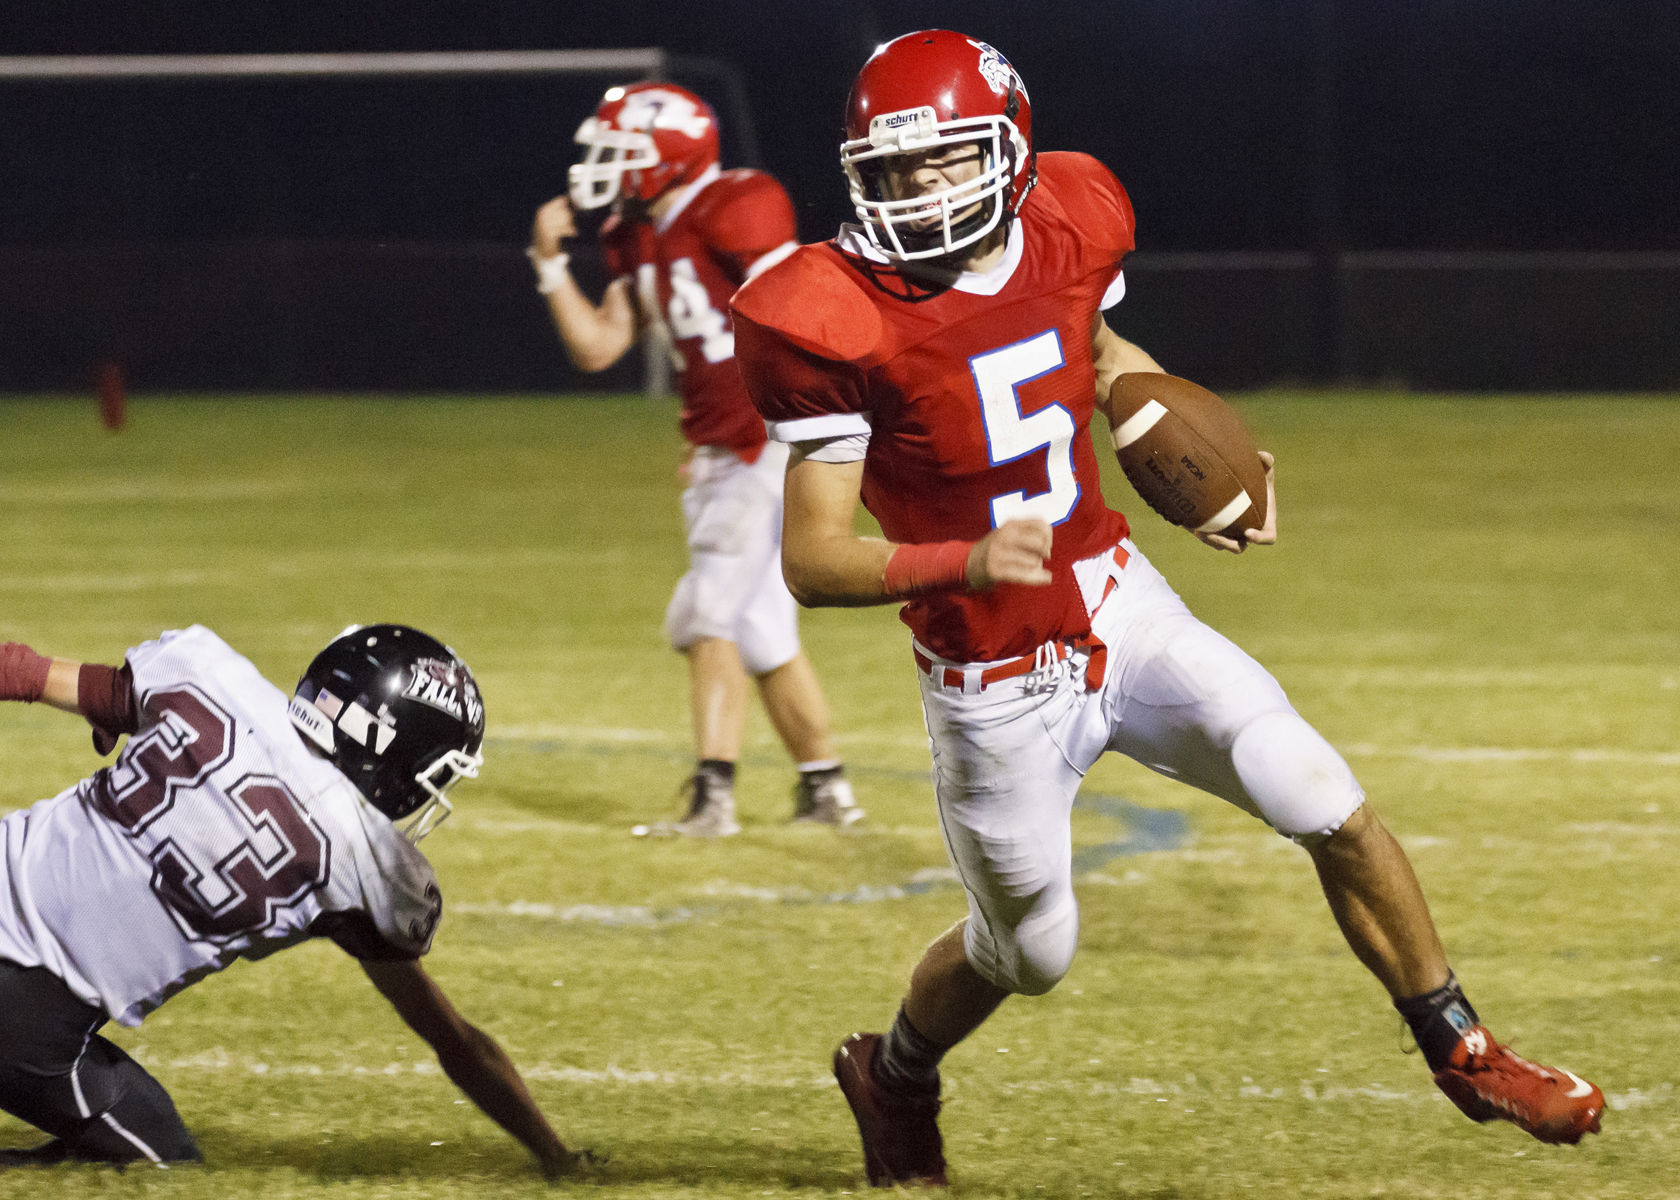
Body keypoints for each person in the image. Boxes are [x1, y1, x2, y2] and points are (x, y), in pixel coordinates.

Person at [729, 29, 1605, 1188]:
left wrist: (1191, 462)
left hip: (1112, 600)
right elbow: (812, 557)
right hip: (991, 675)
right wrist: (964, 560)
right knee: (1029, 953)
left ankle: (1465, 1051)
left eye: (943, 159)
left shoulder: (1072, 215)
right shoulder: (824, 310)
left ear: (1009, 150)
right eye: (892, 168)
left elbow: (1093, 350)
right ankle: (893, 1073)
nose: (918, 189)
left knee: (1316, 788)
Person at [0, 625, 581, 1175]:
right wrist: (555, 1154)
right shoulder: (366, 867)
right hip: (25, 1011)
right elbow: (454, 1041)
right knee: (162, 1165)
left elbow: (21, 672)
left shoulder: (208, 674)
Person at [529, 80, 861, 837]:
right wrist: (549, 265)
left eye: (623, 153)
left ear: (671, 156)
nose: (608, 169)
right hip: (720, 450)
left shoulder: (733, 204)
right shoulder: (636, 234)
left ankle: (713, 799)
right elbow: (599, 345)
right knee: (762, 629)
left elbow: (802, 310)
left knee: (707, 613)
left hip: (766, 441)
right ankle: (828, 790)